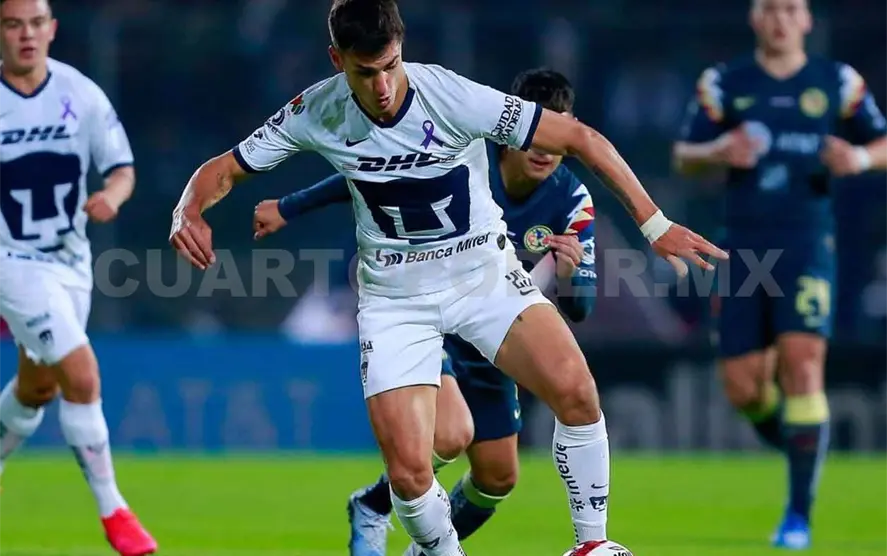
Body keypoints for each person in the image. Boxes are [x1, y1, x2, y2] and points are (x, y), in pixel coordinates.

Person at [171, 1, 725, 554]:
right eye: (366, 72)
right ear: (337, 61)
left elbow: (582, 139)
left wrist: (655, 226)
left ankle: (591, 545)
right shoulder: (316, 110)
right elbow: (224, 169)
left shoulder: (451, 96)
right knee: (410, 474)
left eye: (390, 65)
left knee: (576, 394)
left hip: (483, 276)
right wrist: (188, 209)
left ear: (401, 47)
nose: (383, 87)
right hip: (396, 300)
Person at [254, 68, 599, 556]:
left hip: (491, 320)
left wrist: (568, 274)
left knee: (498, 476)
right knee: (452, 433)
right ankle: (376, 506)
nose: (544, 148)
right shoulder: (468, 149)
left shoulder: (572, 200)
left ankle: (408, 533)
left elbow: (580, 307)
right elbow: (367, 174)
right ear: (515, 128)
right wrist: (290, 207)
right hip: (422, 307)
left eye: (556, 132)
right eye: (537, 131)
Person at [673, 0, 887, 549]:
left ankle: (797, 516)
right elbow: (683, 156)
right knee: (744, 388)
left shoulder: (838, 82)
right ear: (754, 17)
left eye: (791, 9)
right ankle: (801, 446)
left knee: (802, 362)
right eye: (770, 8)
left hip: (808, 242)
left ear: (807, 20)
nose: (780, 19)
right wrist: (719, 149)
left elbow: (882, 142)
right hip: (742, 249)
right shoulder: (724, 82)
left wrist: (860, 160)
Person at [0, 1, 157, 555]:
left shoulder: (80, 93)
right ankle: (115, 512)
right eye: (12, 24)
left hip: (69, 262)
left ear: (52, 29)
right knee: (82, 374)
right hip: (10, 261)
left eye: (35, 23)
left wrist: (111, 196)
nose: (26, 34)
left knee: (37, 387)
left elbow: (122, 169)